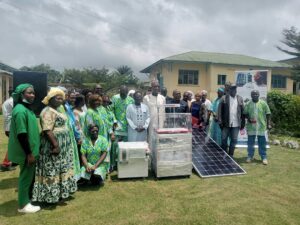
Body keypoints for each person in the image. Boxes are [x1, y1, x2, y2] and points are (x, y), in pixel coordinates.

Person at [32, 88, 77, 204]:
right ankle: (50, 196)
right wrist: (56, 145)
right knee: (52, 169)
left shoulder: (56, 110)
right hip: (53, 145)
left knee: (61, 169)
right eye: (58, 97)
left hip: (64, 146)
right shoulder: (47, 111)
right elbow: (47, 130)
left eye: (62, 97)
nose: (61, 100)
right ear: (50, 99)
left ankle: (60, 193)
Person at [8, 83, 41, 213]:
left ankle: (27, 199)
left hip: (31, 150)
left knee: (28, 176)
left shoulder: (27, 108)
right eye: (29, 93)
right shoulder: (20, 110)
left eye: (33, 92)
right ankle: (23, 205)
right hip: (26, 152)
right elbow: (22, 134)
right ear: (21, 94)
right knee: (25, 177)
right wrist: (29, 154)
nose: (32, 95)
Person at [244, 90, 271, 165]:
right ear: (251, 95)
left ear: (259, 95)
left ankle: (264, 157)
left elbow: (268, 113)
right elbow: (245, 113)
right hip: (251, 127)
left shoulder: (263, 103)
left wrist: (269, 124)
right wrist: (248, 118)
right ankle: (250, 156)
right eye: (253, 94)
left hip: (261, 126)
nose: (255, 95)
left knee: (262, 143)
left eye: (256, 94)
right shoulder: (248, 103)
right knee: (250, 143)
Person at [218, 84, 245, 157]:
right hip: (225, 124)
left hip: (236, 124)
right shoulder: (224, 98)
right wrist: (220, 121)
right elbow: (219, 111)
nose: (233, 91)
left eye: (235, 89)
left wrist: (243, 123)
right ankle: (224, 154)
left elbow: (243, 112)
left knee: (234, 140)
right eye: (232, 89)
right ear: (229, 90)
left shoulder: (240, 98)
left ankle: (231, 155)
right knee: (224, 140)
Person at [143, 80, 165, 147]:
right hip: (151, 123)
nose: (157, 88)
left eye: (158, 86)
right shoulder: (146, 98)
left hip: (161, 123)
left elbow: (164, 111)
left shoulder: (162, 98)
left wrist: (164, 121)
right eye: (155, 86)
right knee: (151, 140)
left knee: (160, 140)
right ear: (151, 87)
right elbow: (144, 112)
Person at [1, 87, 15, 171]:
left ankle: (9, 163)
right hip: (11, 126)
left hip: (7, 126)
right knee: (13, 145)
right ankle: (5, 164)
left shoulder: (6, 101)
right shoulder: (12, 102)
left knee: (14, 144)